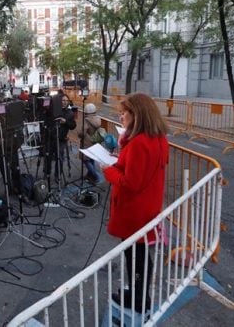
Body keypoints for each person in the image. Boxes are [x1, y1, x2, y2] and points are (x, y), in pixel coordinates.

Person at [99, 93, 169, 314]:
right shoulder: (157, 138)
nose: (120, 117)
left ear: (136, 114)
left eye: (123, 113)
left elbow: (130, 182)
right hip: (147, 206)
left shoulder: (139, 143)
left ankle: (139, 300)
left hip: (135, 210)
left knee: (135, 256)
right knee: (138, 256)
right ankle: (139, 294)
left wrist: (108, 170)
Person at [43, 93, 76, 184]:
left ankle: (58, 175)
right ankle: (47, 173)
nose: (65, 102)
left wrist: (65, 122)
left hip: (61, 139)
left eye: (66, 101)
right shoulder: (53, 110)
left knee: (60, 158)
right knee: (48, 157)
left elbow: (73, 125)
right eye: (63, 100)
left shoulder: (70, 113)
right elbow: (46, 119)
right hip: (51, 138)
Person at [77, 103, 103, 184]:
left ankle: (95, 176)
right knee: (91, 159)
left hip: (86, 143)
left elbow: (82, 133)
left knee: (85, 160)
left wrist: (79, 132)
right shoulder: (98, 119)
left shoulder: (86, 121)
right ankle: (89, 175)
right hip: (95, 142)